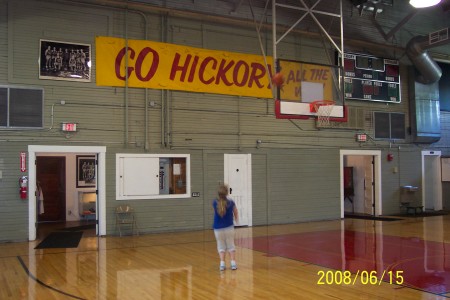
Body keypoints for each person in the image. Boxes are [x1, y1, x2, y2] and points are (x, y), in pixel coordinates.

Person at [212, 184, 239, 271]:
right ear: (227, 193)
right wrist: (237, 220)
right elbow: (236, 212)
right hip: (229, 227)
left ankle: (222, 264)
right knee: (231, 245)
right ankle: (233, 263)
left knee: (221, 246)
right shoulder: (231, 202)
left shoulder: (214, 202)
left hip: (218, 228)